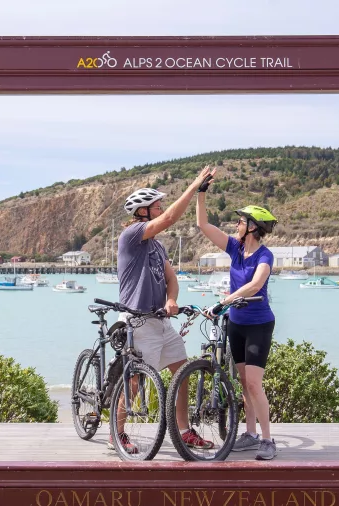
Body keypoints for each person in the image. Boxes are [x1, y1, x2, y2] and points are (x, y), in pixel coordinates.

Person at [111, 166, 216, 454]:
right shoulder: (132, 235)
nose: (160, 208)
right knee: (134, 381)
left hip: (159, 320)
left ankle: (183, 431)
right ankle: (117, 434)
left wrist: (171, 300)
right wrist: (195, 185)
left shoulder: (157, 247)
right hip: (137, 320)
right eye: (156, 204)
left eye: (159, 204)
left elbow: (171, 278)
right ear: (142, 211)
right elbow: (170, 217)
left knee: (181, 370)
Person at [196, 182, 279, 461]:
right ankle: (250, 434)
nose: (237, 224)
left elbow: (256, 285)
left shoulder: (264, 255)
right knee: (244, 382)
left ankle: (268, 440)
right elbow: (203, 224)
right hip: (236, 324)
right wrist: (201, 192)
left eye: (241, 221)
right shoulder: (234, 248)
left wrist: (224, 300)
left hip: (259, 325)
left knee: (254, 383)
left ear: (253, 227)